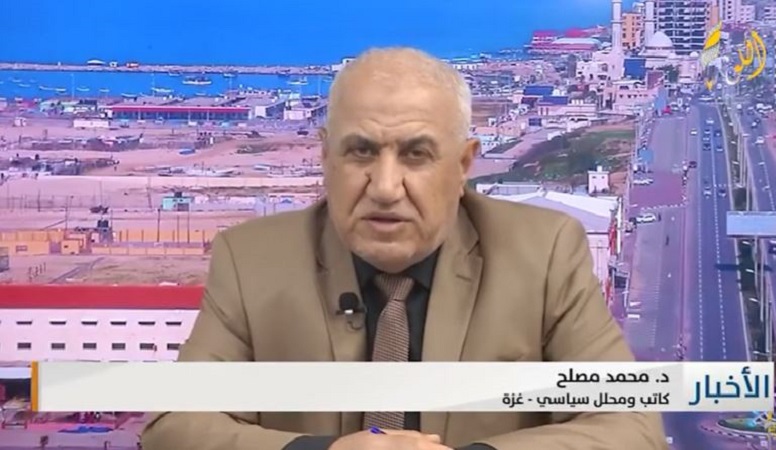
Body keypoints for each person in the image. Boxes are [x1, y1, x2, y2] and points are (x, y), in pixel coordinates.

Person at [141, 47, 667, 450]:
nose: (386, 187)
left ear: (463, 165)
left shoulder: (545, 252)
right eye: (360, 152)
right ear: (325, 157)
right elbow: (173, 424)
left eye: (416, 154)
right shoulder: (251, 259)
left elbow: (630, 426)